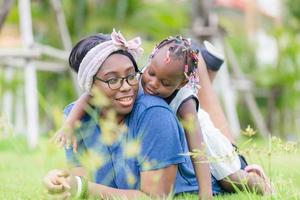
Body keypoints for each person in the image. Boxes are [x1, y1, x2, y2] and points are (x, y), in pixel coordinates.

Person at [54, 34, 272, 196]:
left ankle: (258, 180)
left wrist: (205, 194)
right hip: (176, 128)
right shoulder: (136, 80)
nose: (152, 83)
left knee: (229, 177)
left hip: (201, 135)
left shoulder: (183, 104)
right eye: (150, 73)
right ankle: (208, 65)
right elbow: (87, 96)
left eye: (165, 83)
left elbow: (199, 152)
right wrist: (70, 123)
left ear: (181, 83)